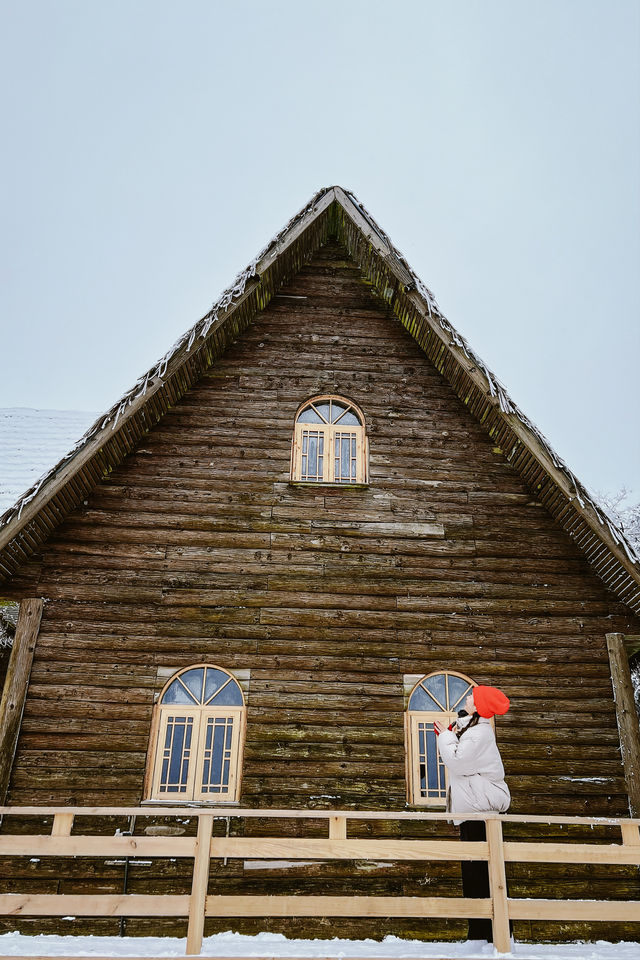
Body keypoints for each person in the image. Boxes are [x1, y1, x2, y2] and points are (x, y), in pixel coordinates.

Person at [435, 685, 510, 943]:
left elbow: (458, 762)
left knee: (482, 876)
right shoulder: (474, 729)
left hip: (481, 815)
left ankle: (490, 935)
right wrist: (453, 730)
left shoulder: (480, 734)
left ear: (478, 706)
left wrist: (445, 736)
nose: (467, 697)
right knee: (473, 874)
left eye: (472, 697)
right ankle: (480, 934)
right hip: (474, 814)